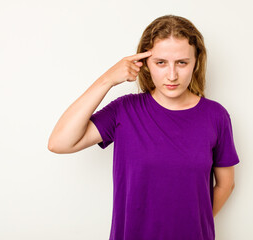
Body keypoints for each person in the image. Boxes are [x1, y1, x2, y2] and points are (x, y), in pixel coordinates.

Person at [48, 14, 240, 240]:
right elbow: (59, 142)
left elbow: (225, 185)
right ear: (145, 64)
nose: (172, 75)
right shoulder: (124, 111)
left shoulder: (215, 116)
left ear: (196, 62)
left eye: (182, 62)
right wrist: (107, 80)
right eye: (161, 62)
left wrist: (191, 226)